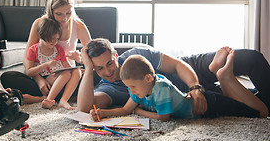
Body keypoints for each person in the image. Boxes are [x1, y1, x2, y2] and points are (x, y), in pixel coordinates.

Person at [78, 38, 270, 115]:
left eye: (110, 63)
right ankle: (225, 78)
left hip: (192, 71)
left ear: (116, 56)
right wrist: (87, 68)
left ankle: (217, 70)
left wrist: (195, 87)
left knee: (253, 58)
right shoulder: (107, 87)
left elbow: (178, 65)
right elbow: (85, 108)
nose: (108, 71)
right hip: (185, 98)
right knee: (257, 104)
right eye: (99, 68)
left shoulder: (137, 55)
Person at [1, 0, 91, 102]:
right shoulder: (40, 23)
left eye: (68, 13)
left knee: (92, 76)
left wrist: (80, 59)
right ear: (51, 10)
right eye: (59, 14)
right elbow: (27, 58)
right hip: (41, 76)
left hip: (66, 78)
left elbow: (93, 56)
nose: (65, 18)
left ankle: (40, 98)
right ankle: (59, 97)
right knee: (8, 77)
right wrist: (39, 80)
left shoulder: (78, 25)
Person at [25, 17, 80, 110]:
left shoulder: (59, 50)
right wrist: (46, 64)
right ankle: (49, 99)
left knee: (76, 71)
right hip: (46, 79)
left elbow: (68, 67)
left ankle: (63, 100)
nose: (55, 42)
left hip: (58, 78)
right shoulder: (33, 50)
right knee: (66, 74)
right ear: (42, 35)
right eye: (52, 38)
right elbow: (29, 72)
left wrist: (78, 64)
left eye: (57, 39)